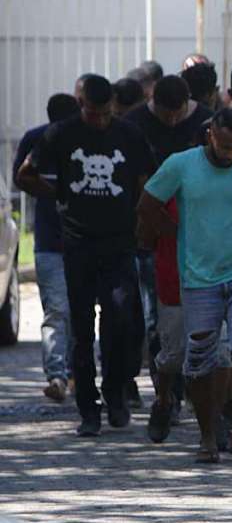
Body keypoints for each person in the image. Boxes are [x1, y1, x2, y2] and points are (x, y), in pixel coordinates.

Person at [16, 75, 154, 436]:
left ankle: (116, 392)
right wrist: (58, 194)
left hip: (119, 242)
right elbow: (25, 175)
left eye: (106, 113)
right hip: (77, 243)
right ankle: (88, 408)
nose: (100, 120)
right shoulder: (60, 134)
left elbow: (145, 179)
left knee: (120, 320)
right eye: (94, 114)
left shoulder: (128, 134)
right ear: (82, 106)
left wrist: (139, 217)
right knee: (80, 326)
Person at [136, 108, 232, 464]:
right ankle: (208, 436)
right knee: (199, 361)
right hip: (198, 280)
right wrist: (170, 230)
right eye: (224, 146)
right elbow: (146, 203)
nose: (230, 154)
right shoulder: (181, 164)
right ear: (210, 133)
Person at [124, 74, 218, 442]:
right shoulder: (167, 164)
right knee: (167, 340)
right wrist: (170, 233)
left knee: (219, 346)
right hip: (170, 262)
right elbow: (145, 206)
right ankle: (166, 397)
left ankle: (214, 415)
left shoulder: (227, 162)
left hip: (217, 269)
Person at [13, 93, 80, 402]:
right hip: (52, 242)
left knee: (72, 313)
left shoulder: (87, 140)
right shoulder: (36, 140)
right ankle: (58, 375)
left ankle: (73, 373)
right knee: (58, 310)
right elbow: (21, 178)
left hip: (75, 242)